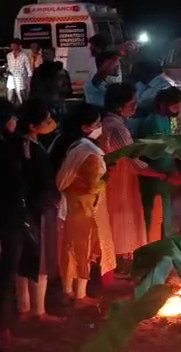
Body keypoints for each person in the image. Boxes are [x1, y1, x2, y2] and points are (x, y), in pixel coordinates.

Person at [56, 103, 116, 305]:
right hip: (84, 207)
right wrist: (106, 180)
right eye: (98, 123)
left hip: (72, 206)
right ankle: (79, 295)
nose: (101, 126)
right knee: (84, 250)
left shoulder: (69, 144)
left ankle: (68, 292)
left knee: (69, 250)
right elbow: (92, 186)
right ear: (85, 128)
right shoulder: (88, 152)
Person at [98, 83, 155, 259]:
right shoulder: (116, 127)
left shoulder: (107, 123)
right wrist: (162, 174)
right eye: (131, 104)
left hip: (114, 179)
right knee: (120, 220)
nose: (135, 107)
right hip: (118, 182)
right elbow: (133, 160)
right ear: (118, 106)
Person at [15, 98, 60, 321]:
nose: (51, 123)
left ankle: (24, 308)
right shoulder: (32, 150)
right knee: (38, 259)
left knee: (22, 259)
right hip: (37, 210)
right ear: (33, 126)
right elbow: (41, 182)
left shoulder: (16, 144)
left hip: (21, 210)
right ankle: (38, 311)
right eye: (47, 120)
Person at [0, 98, 29, 348]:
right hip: (7, 220)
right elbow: (14, 183)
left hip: (9, 217)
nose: (15, 122)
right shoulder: (6, 149)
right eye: (12, 117)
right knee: (6, 274)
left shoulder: (9, 144)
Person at [139, 87, 181, 239]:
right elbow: (155, 153)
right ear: (162, 104)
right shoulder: (152, 123)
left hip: (166, 174)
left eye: (179, 107)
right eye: (175, 107)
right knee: (154, 215)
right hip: (155, 175)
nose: (177, 111)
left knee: (164, 214)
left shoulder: (166, 120)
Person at [30, 47, 72, 117]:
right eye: (43, 54)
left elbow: (67, 89)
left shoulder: (61, 72)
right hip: (42, 105)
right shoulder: (38, 71)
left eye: (47, 54)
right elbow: (33, 88)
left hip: (56, 104)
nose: (44, 56)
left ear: (53, 55)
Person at [6, 39, 32, 106]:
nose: (12, 47)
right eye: (12, 45)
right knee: (10, 95)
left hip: (20, 77)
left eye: (14, 45)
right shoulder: (9, 55)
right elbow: (9, 66)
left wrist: (28, 83)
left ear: (18, 46)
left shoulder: (24, 56)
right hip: (11, 77)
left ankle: (23, 110)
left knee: (20, 95)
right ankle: (10, 110)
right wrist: (7, 72)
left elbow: (29, 70)